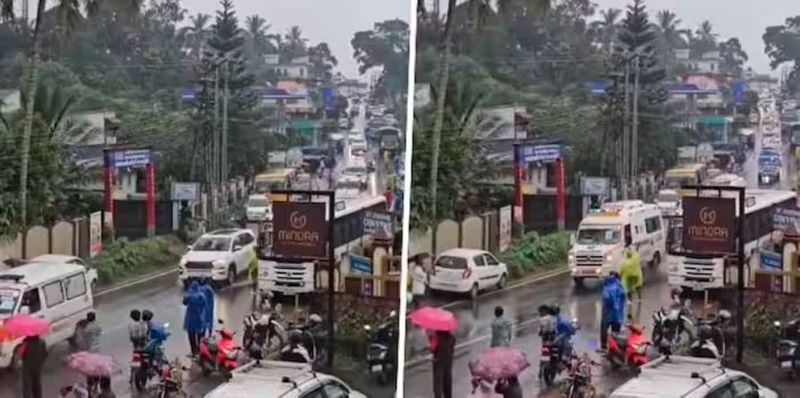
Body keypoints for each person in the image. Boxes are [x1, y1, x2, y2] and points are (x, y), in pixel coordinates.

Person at [601, 272, 626, 350]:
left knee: (604, 329)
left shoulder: (607, 287)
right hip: (618, 314)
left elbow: (606, 298)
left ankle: (604, 346)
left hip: (608, 313)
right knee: (616, 331)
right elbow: (623, 296)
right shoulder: (620, 286)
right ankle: (615, 346)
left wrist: (609, 305)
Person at [182, 281, 207, 357]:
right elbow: (205, 304)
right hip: (200, 318)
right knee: (200, 336)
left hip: (190, 319)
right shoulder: (201, 296)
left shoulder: (189, 296)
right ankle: (200, 351)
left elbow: (184, 302)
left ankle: (194, 351)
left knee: (191, 336)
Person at [430, 330, 455, 398]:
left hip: (438, 361)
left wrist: (431, 338)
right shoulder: (451, 337)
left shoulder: (436, 337)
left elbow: (432, 349)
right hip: (448, 361)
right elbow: (452, 348)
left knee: (438, 383)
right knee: (447, 381)